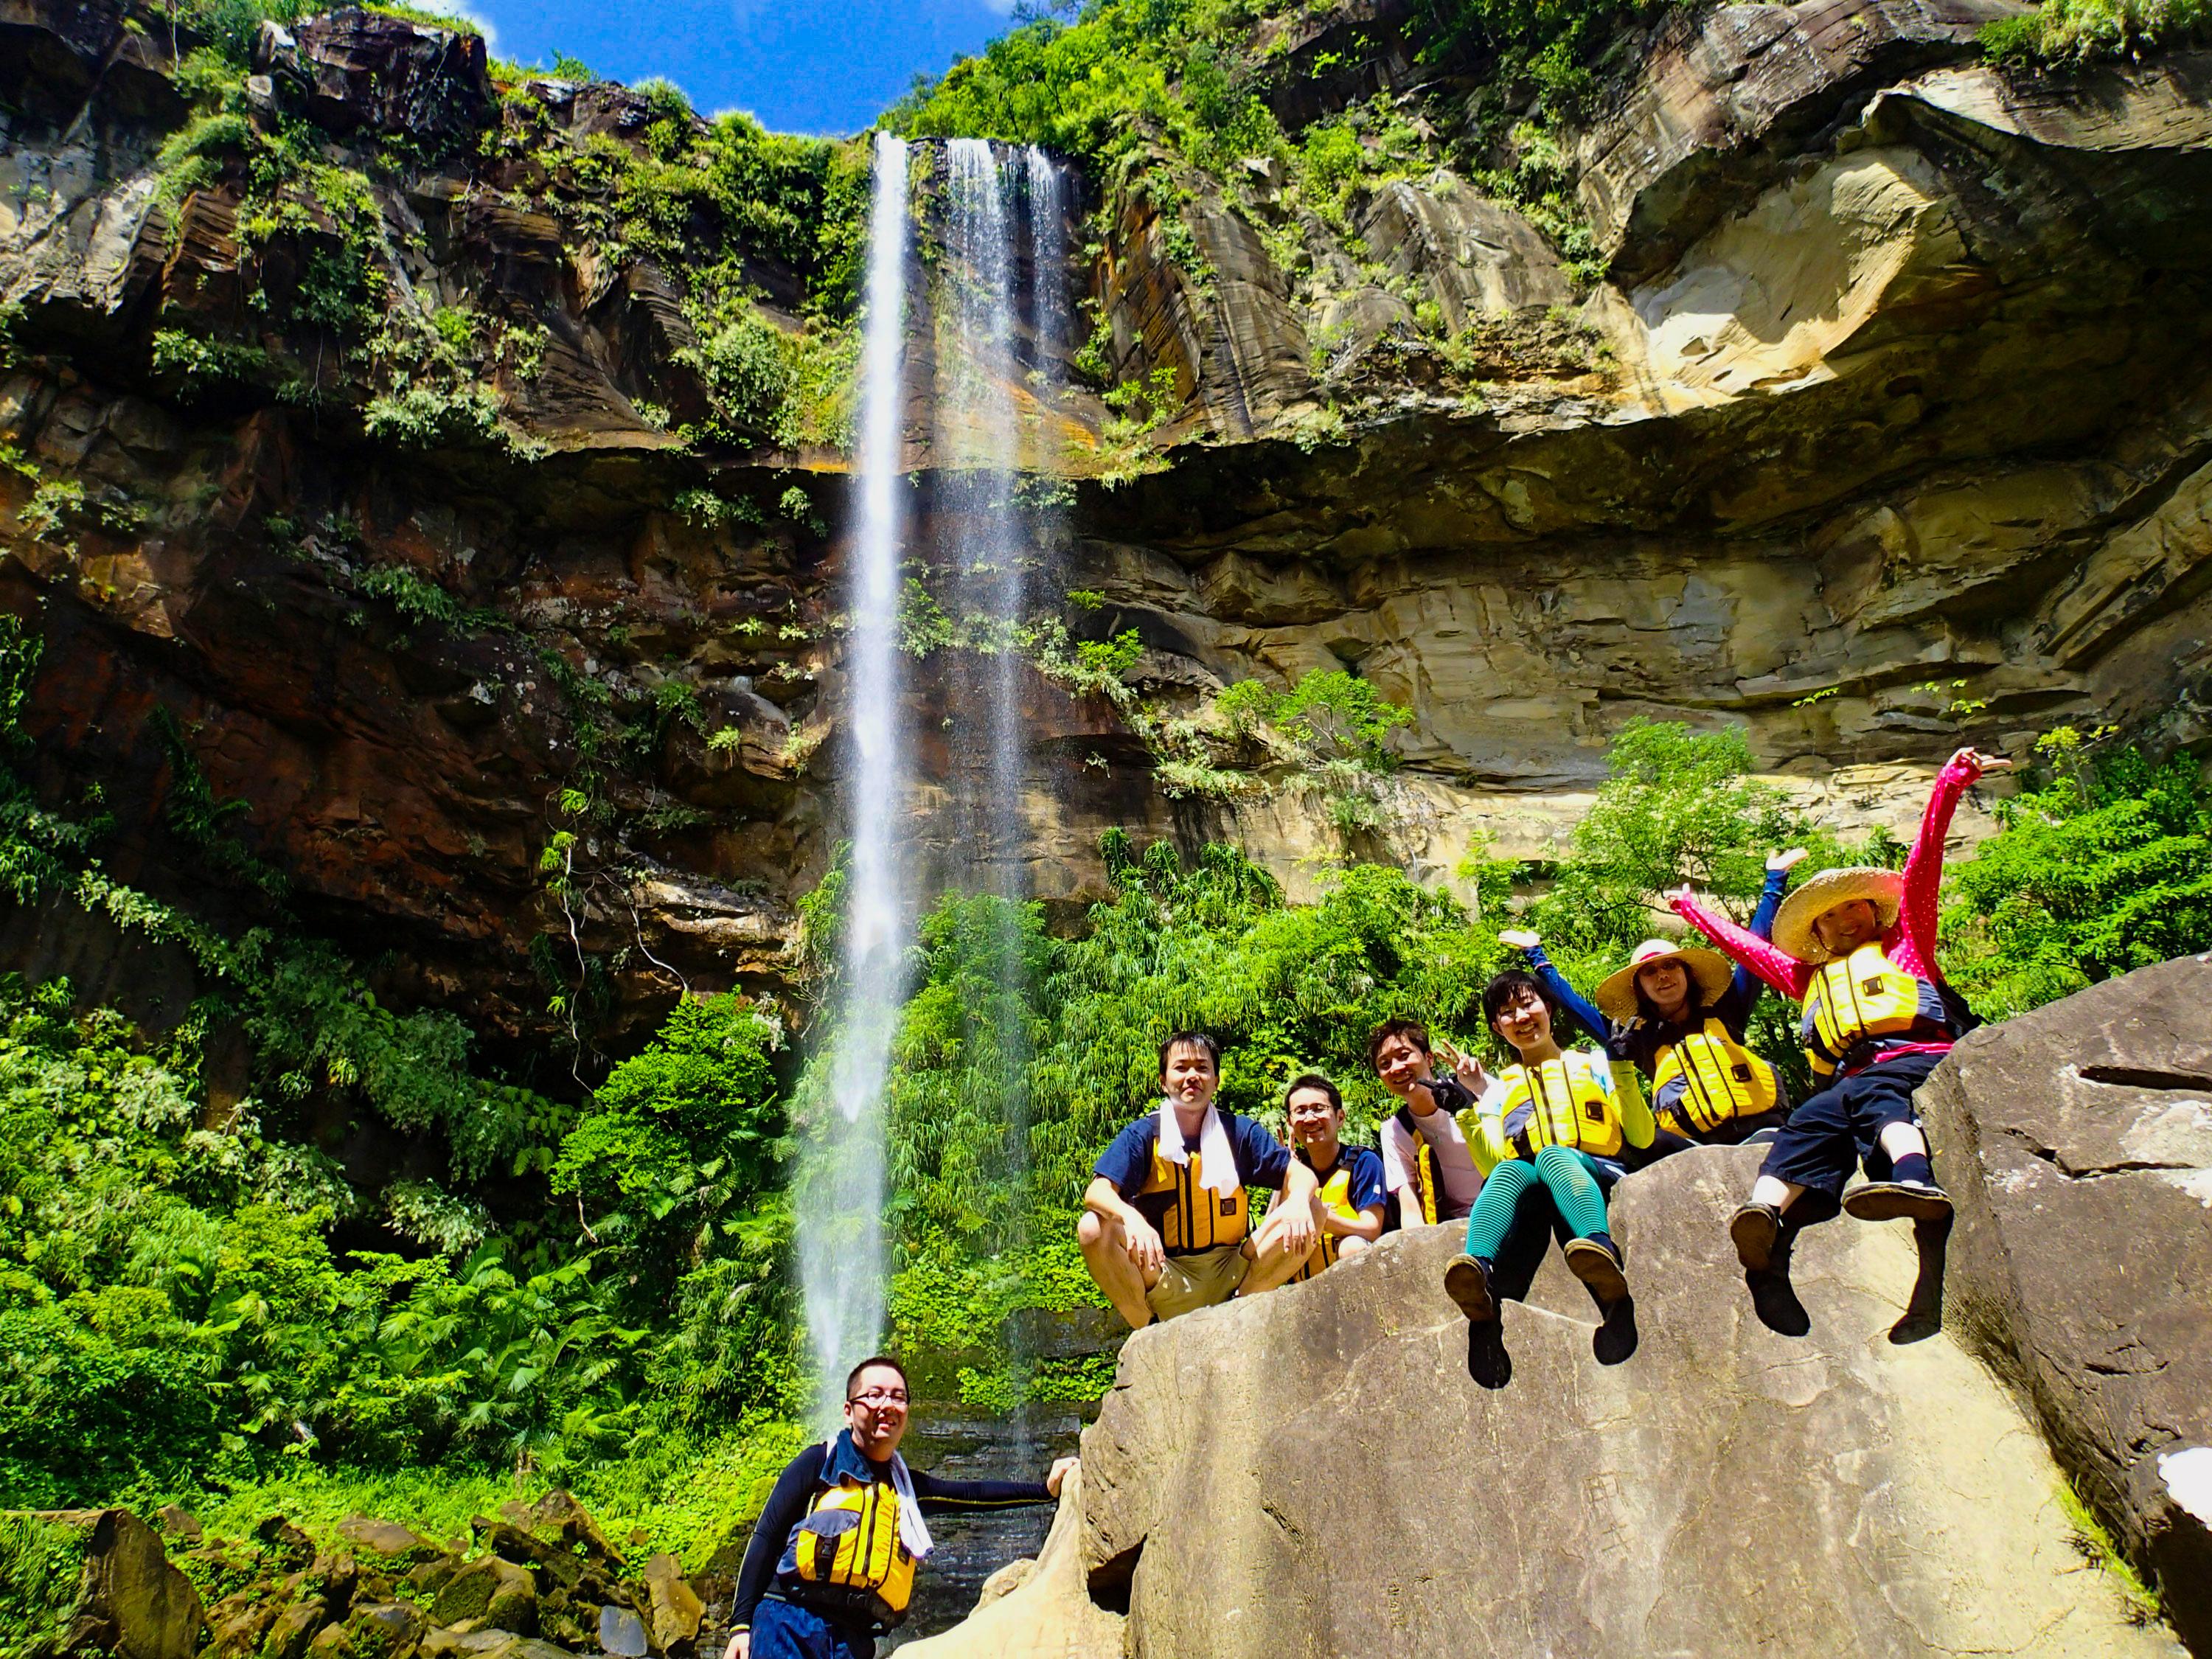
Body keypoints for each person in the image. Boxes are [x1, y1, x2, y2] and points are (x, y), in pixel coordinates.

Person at [1669, 747, 2008, 1287]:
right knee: (1807, 1121)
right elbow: (1750, 952)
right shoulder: (1809, 978)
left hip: (1913, 1059)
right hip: (1848, 1078)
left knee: (1876, 1097)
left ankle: (1915, 1181)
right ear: (1818, 935)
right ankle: (1763, 1212)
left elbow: (1923, 870)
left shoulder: (1907, 948)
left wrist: (1949, 783)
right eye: (1829, 917)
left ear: (1873, 911)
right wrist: (1693, 912)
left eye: (1853, 906)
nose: (1844, 918)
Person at [726, 1355, 1075, 1659]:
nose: (887, 1405)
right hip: (788, 1622)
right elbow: (767, 1537)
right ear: (849, 1411)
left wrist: (1045, 1489)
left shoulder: (906, 1491)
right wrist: (741, 1626)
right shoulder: (818, 1462)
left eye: (898, 1397)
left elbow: (971, 1493)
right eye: (874, 1395)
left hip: (854, 1638)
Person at [1499, 848, 1804, 1147]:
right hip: (1695, 1146)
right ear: (1639, 988)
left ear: (1688, 974)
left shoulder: (1727, 1012)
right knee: (1648, 1144)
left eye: (1671, 966)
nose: (1663, 976)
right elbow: (1575, 1007)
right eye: (1650, 972)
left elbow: (1754, 950)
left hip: (1763, 1131)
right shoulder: (1637, 1038)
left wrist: (1774, 882)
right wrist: (1536, 955)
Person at [1441, 970, 1656, 1335]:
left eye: (1528, 1004)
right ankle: (1477, 1269)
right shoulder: (1500, 1091)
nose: (1521, 1018)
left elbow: (1642, 1136)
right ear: (1497, 1027)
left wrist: (1621, 1069)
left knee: (1553, 1156)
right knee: (1509, 1172)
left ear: (1549, 1008)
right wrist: (1465, 1114)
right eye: (1508, 1013)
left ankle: (1601, 1250)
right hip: (1534, 1181)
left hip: (1599, 1168)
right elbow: (1494, 1164)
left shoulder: (1591, 1064)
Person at [1078, 1031, 1321, 1329]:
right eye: (1181, 1068)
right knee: (1092, 1226)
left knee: (1314, 1207)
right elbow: (1097, 1191)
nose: (1192, 1076)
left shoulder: (1239, 1131)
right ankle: (1146, 1325)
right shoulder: (1142, 1135)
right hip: (1165, 1274)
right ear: (1163, 1081)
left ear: (1216, 1082)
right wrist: (1131, 1217)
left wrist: (1297, 1200)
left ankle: (1241, 1306)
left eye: (1202, 1068)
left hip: (1234, 1269)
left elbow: (1302, 1175)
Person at [1263, 1073, 1385, 1281]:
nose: (1310, 1118)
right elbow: (1268, 1236)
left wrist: (1317, 1215)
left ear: (1340, 1118)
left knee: (1352, 1246)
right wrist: (1283, 1176)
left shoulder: (1363, 1162)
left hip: (1353, 1274)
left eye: (1319, 1109)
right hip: (1303, 1284)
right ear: (1290, 1124)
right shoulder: (1294, 1169)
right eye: (1300, 1111)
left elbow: (1372, 1229)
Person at [1366, 1019, 1484, 1228]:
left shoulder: (1470, 1089)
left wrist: (1481, 1086)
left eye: (1404, 1056)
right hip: (1453, 1225)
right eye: (1385, 1064)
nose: (1396, 1068)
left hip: (1507, 1203)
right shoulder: (1395, 1131)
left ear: (1429, 1058)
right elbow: (1410, 1207)